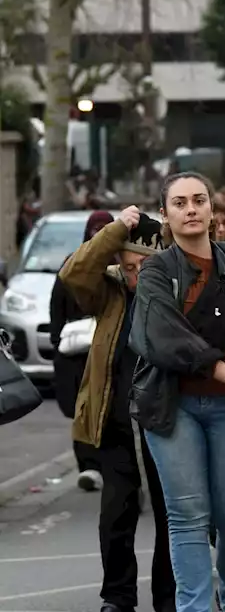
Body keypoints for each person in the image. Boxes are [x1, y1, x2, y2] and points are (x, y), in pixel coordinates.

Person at [128, 172, 225, 612]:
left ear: (212, 210)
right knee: (188, 518)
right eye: (180, 202)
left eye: (199, 200)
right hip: (173, 408)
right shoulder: (154, 270)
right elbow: (165, 339)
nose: (191, 209)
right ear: (165, 215)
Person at [60, 206, 176, 612]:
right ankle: (118, 596)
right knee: (116, 513)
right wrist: (115, 230)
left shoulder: (172, 290)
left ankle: (169, 596)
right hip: (114, 421)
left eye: (146, 265)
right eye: (129, 266)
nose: (137, 274)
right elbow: (72, 274)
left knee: (170, 514)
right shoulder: (109, 292)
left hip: (165, 422)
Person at [50, 209, 113, 492]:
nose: (98, 235)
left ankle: (111, 466)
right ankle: (88, 466)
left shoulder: (121, 267)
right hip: (76, 355)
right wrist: (57, 342)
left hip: (109, 352)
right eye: (94, 229)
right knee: (82, 409)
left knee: (111, 411)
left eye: (105, 229)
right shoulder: (73, 265)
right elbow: (57, 307)